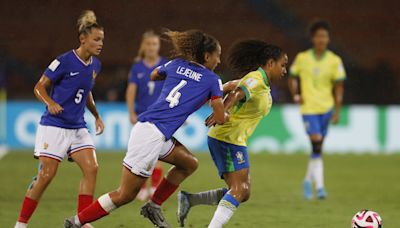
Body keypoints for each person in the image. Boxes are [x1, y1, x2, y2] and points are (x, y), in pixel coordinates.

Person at [64, 29, 227, 228]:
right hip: (151, 134)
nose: (219, 61)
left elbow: (154, 75)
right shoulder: (213, 80)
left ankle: (154, 206)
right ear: (207, 56)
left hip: (155, 131)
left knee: (189, 163)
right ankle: (75, 222)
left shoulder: (176, 64)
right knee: (125, 194)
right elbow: (220, 117)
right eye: (217, 56)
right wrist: (225, 106)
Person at [177, 40, 288, 228]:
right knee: (239, 189)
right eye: (283, 65)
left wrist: (216, 94)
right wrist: (224, 110)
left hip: (234, 140)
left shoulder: (261, 83)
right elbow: (237, 93)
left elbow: (230, 85)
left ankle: (190, 200)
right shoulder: (256, 80)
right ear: (270, 63)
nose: (285, 70)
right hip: (226, 138)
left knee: (243, 192)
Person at [14, 10, 105, 228]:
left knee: (92, 168)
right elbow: (39, 86)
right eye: (96, 39)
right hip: (55, 126)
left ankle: (81, 221)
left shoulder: (95, 65)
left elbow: (87, 92)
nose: (101, 44)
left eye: (102, 40)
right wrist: (50, 102)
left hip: (77, 126)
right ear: (83, 39)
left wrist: (97, 116)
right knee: (46, 175)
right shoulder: (64, 61)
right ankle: (20, 224)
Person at [288, 20, 346, 200]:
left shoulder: (335, 61)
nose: (322, 39)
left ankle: (307, 181)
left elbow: (339, 87)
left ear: (328, 39)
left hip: (326, 108)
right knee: (316, 142)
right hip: (309, 108)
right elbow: (292, 77)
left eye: (325, 36)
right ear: (313, 38)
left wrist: (337, 110)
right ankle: (320, 187)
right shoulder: (302, 58)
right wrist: (295, 94)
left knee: (317, 148)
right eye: (319, 36)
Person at [126, 30, 168, 201]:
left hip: (161, 116)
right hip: (143, 117)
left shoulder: (165, 65)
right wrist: (131, 112)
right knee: (142, 154)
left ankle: (155, 187)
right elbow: (131, 91)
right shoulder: (137, 67)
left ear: (158, 46)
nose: (151, 47)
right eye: (149, 44)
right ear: (144, 46)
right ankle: (142, 187)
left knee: (158, 154)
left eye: (154, 44)